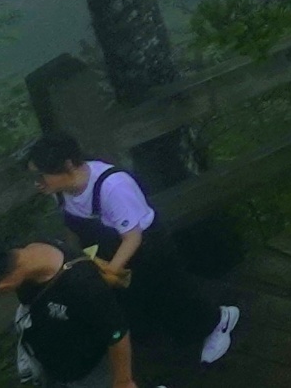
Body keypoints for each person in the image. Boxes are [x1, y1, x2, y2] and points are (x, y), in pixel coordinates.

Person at [26, 135, 235, 368]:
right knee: (139, 303)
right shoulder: (62, 191)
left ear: (67, 166)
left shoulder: (113, 186)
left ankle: (217, 321)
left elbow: (132, 237)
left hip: (147, 249)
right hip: (107, 252)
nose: (39, 182)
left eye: (42, 174)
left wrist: (110, 275)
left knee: (173, 295)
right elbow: (73, 228)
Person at [0, 239, 135, 388]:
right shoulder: (30, 249)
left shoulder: (81, 284)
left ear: (3, 287)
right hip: (55, 362)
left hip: (88, 371)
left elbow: (117, 333)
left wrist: (122, 381)